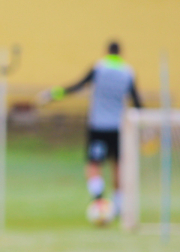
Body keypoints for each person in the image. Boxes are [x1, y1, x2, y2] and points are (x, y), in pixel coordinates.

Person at [38, 41, 142, 214]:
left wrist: (52, 94)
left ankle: (98, 199)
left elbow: (77, 87)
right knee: (117, 165)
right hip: (119, 127)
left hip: (98, 126)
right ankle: (117, 205)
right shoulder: (128, 72)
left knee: (94, 163)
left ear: (106, 51)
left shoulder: (99, 68)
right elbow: (137, 101)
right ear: (121, 53)